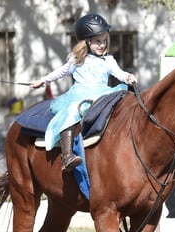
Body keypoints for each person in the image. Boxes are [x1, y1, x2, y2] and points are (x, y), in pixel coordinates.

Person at [30, 13, 137, 172]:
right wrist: (43, 80)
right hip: (80, 95)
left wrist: (128, 77)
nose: (101, 45)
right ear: (87, 43)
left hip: (102, 94)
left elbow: (119, 73)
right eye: (96, 42)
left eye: (103, 41)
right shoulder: (77, 59)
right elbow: (60, 72)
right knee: (72, 110)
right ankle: (67, 157)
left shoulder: (108, 60)